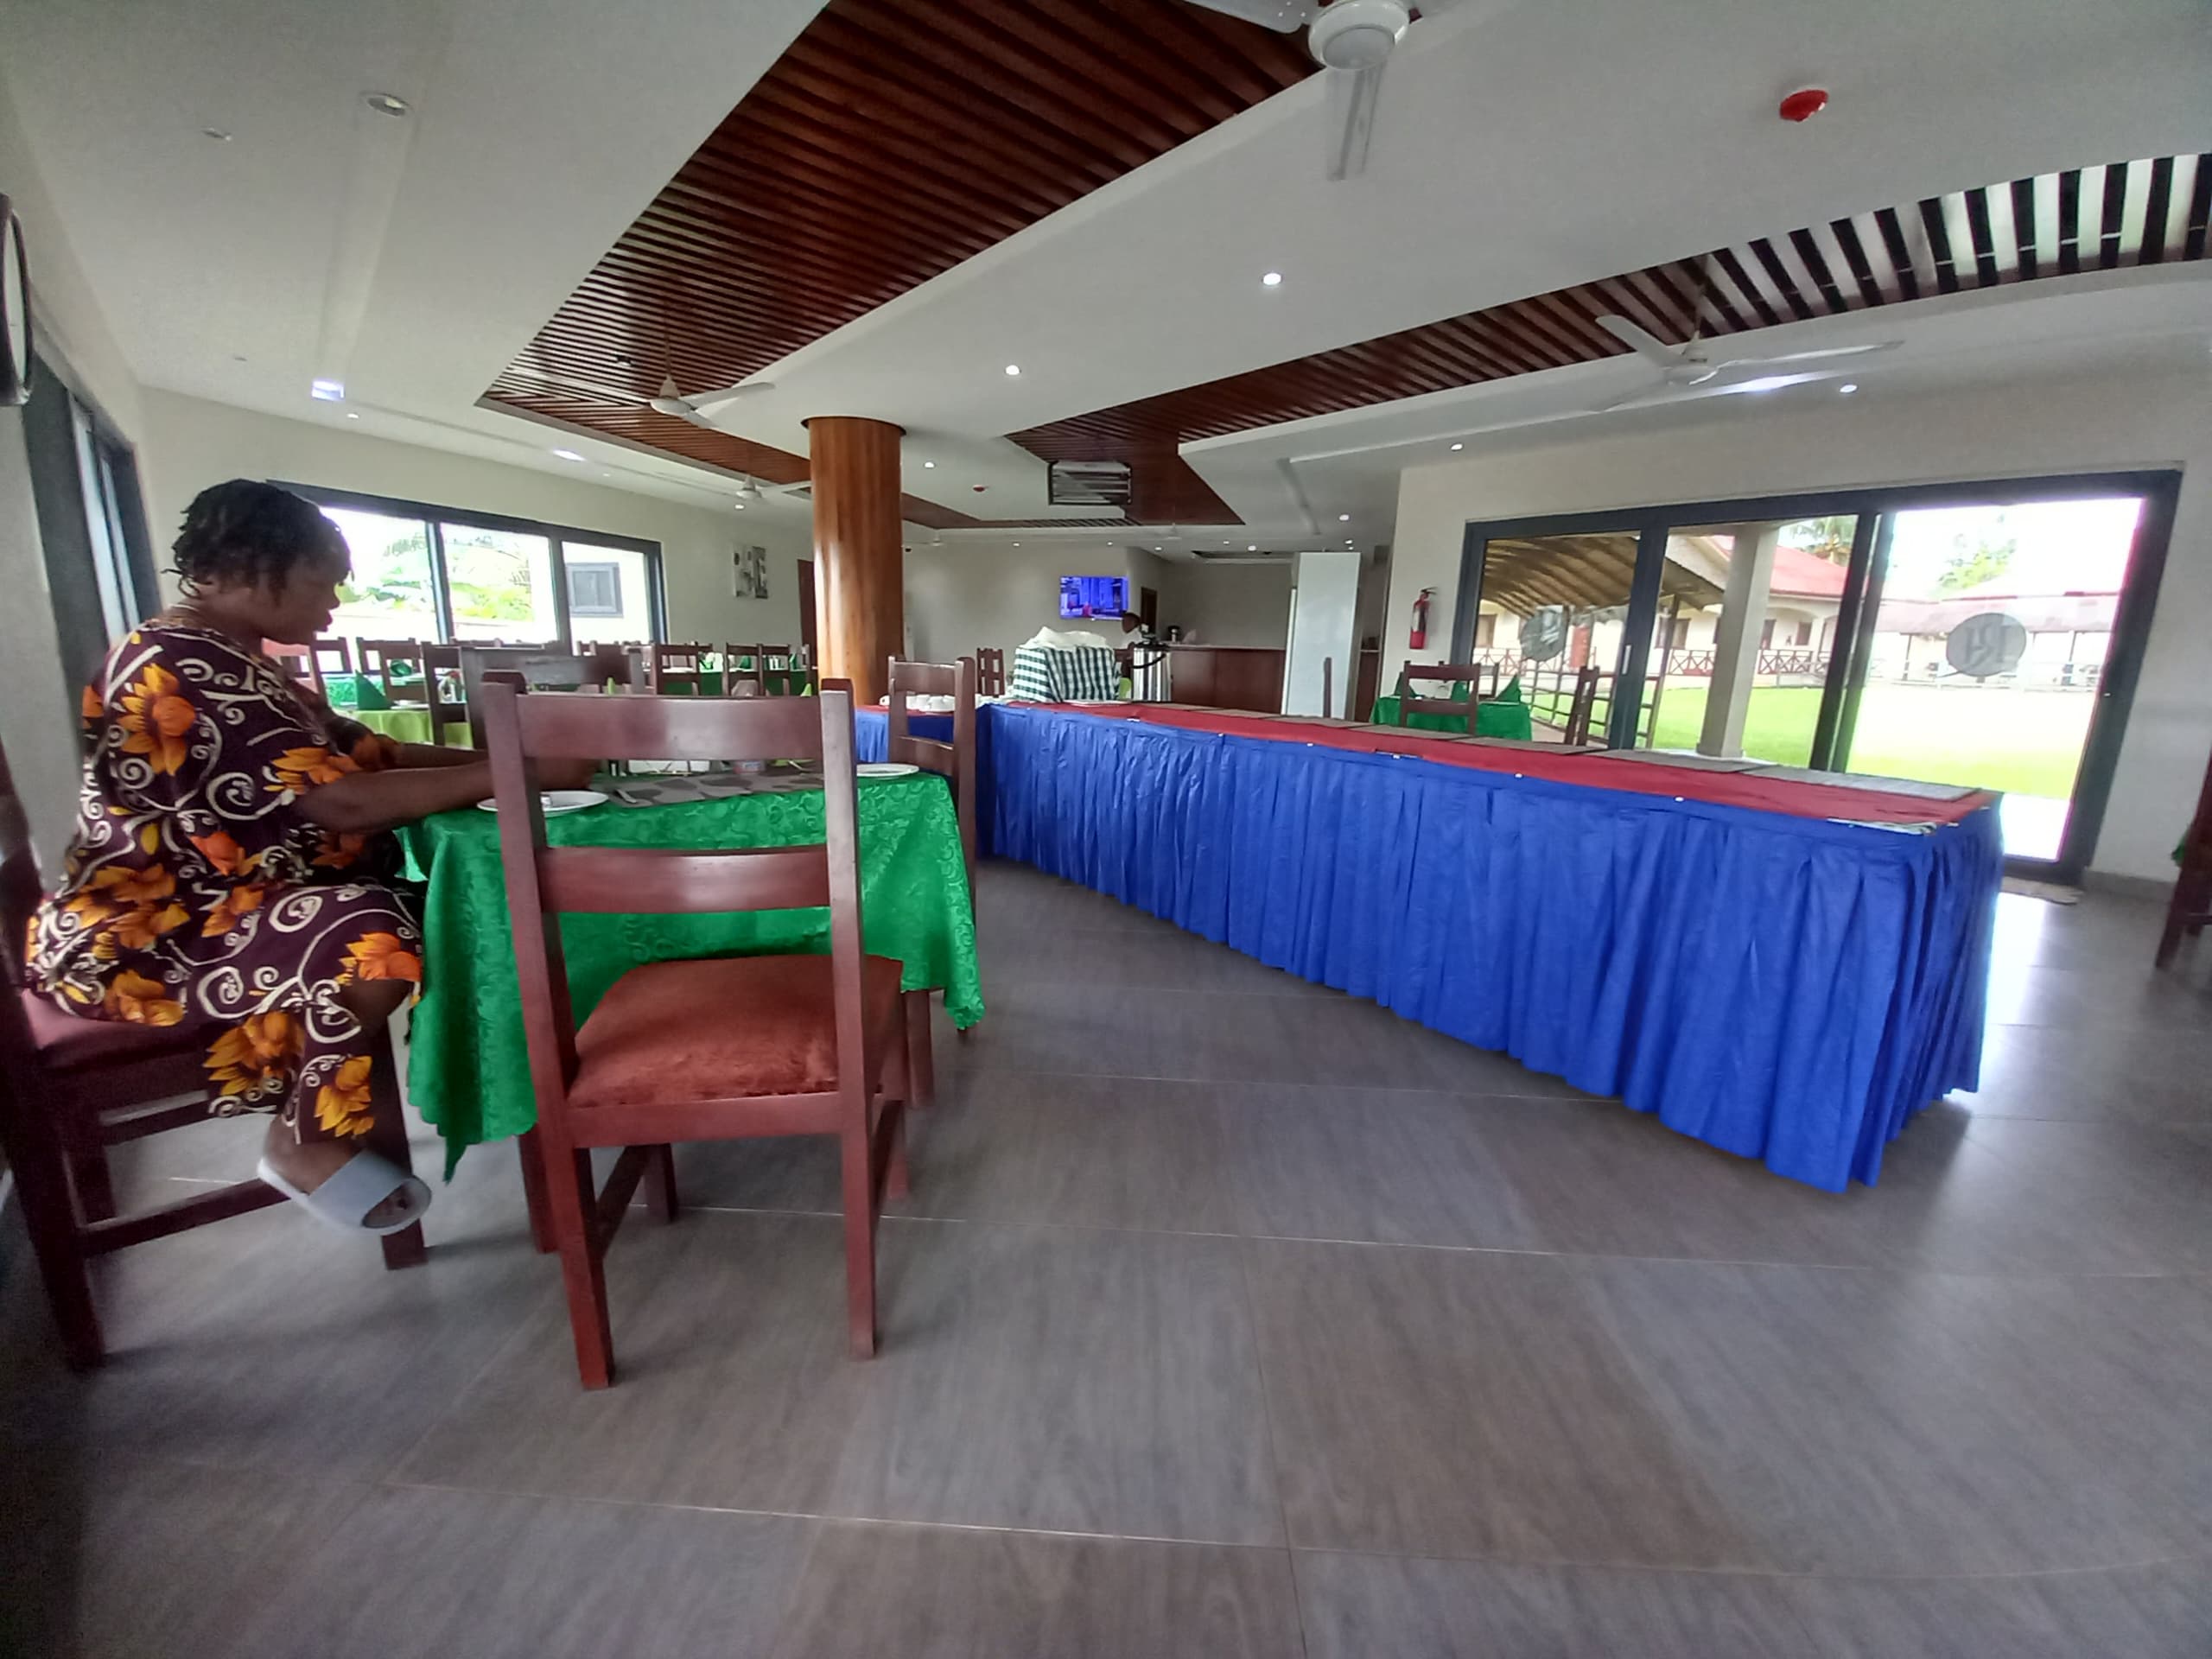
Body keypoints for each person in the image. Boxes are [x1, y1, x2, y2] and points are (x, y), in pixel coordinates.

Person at [22, 480, 593, 1233]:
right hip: (147, 936)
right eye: (323, 581)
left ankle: (503, 1087)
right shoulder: (177, 659)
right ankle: (304, 1135)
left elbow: (369, 755)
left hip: (219, 907)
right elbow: (341, 801)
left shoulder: (240, 656)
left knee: (444, 911)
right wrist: (518, 772)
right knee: (373, 932)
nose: (333, 604)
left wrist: (518, 755)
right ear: (260, 565)